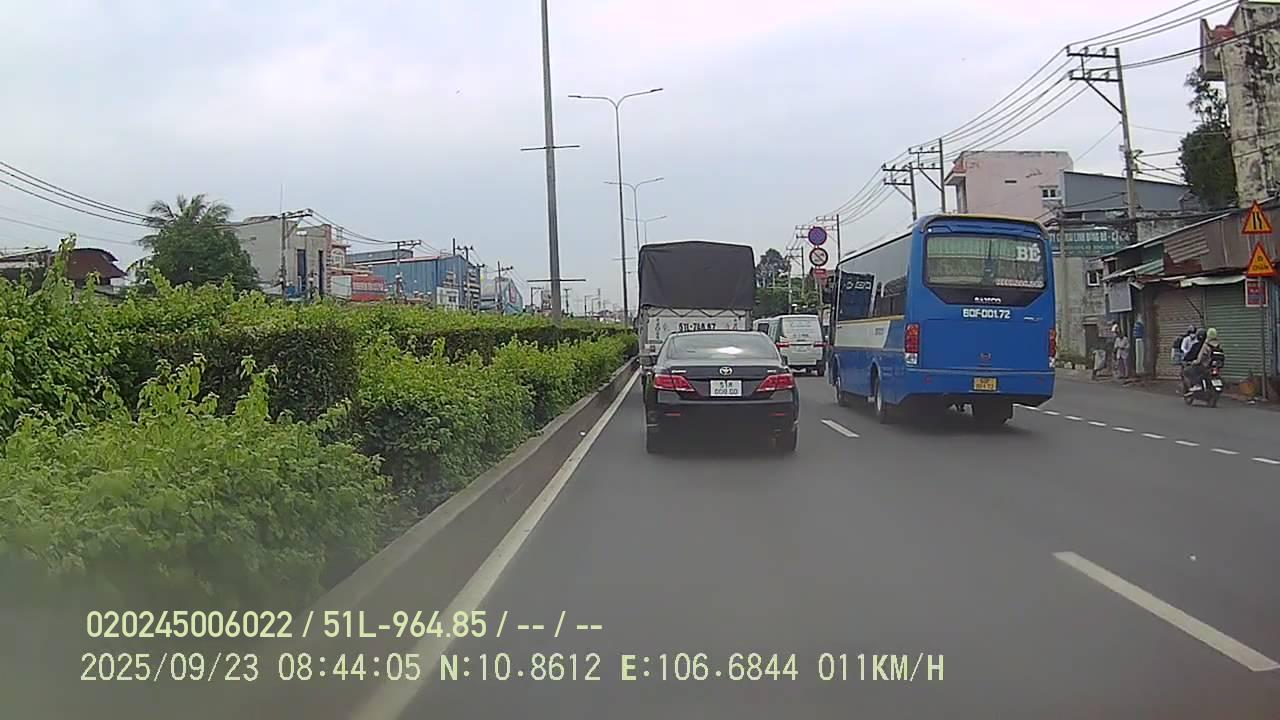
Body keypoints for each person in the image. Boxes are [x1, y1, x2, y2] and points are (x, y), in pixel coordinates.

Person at [1182, 328, 1212, 393]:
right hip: (1210, 365)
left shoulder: (1198, 345)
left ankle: (1196, 384)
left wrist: (1187, 360)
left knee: (1187, 371)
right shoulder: (1211, 345)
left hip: (1202, 365)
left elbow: (1191, 355)